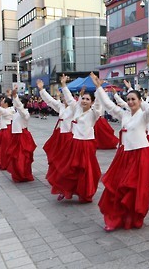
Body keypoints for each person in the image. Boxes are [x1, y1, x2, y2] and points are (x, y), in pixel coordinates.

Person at [94, 70, 149, 231]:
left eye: (133, 99)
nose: (130, 102)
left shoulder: (145, 115)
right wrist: (99, 89)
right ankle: (115, 218)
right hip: (124, 154)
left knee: (136, 188)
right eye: (128, 99)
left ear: (140, 101)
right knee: (117, 186)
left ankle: (133, 216)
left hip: (141, 154)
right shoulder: (124, 115)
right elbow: (109, 106)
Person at [48, 74, 102, 203]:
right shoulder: (77, 108)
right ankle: (65, 189)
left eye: (87, 99)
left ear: (92, 102)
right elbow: (70, 99)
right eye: (83, 98)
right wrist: (64, 85)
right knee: (68, 168)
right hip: (74, 143)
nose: (84, 101)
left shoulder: (94, 113)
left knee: (85, 171)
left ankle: (84, 192)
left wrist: (98, 87)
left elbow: (99, 104)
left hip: (87, 145)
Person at [38, 80, 76, 182]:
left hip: (70, 135)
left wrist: (64, 85)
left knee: (68, 159)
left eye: (66, 96)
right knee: (57, 157)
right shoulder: (61, 106)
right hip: (59, 135)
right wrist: (42, 90)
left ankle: (68, 178)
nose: (64, 98)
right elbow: (50, 101)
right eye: (63, 96)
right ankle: (58, 177)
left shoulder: (74, 108)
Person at [4, 89, 36, 182]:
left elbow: (19, 107)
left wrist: (15, 97)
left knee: (22, 157)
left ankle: (24, 174)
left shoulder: (25, 113)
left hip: (23, 136)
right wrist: (11, 96)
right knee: (16, 156)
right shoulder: (16, 112)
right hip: (16, 136)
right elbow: (14, 106)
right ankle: (18, 174)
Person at [0, 90, 15, 170]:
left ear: (6, 104)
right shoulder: (10, 109)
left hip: (6, 131)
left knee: (4, 148)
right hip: (6, 129)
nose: (1, 102)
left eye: (2, 101)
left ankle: (5, 163)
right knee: (4, 147)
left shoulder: (6, 111)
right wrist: (8, 95)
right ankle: (6, 163)